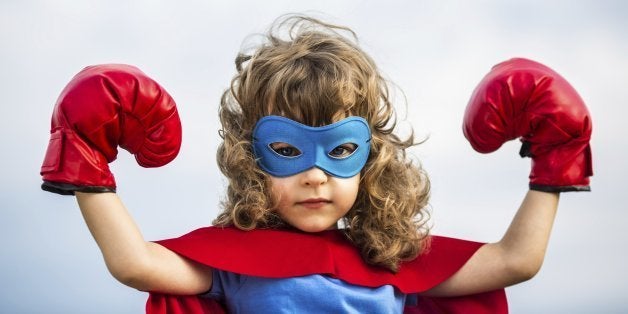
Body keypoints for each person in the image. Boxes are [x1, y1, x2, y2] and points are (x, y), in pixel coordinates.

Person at [40, 15, 592, 313]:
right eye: (287, 150)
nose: (315, 174)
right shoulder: (233, 266)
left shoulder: (395, 269)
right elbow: (135, 263)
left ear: (371, 161)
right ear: (251, 161)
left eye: (341, 149)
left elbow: (514, 261)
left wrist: (556, 160)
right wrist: (85, 159)